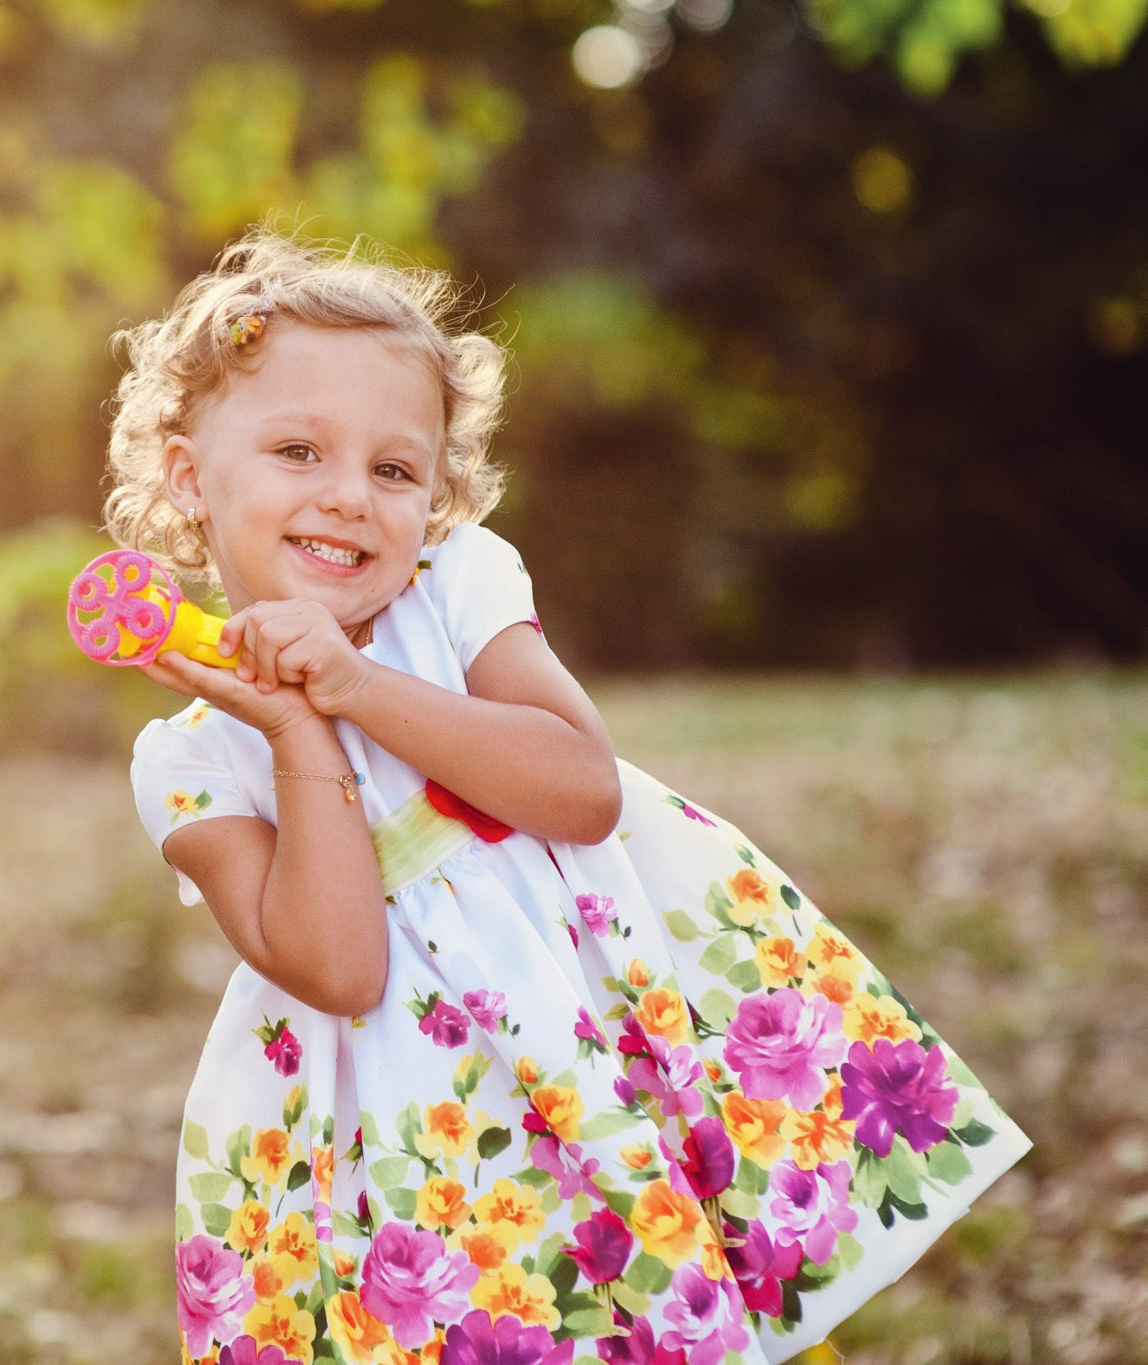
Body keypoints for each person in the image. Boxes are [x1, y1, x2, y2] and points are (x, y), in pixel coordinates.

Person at [107, 226, 1031, 1365]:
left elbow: (581, 788)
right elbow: (341, 968)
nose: (348, 497)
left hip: (602, 1043)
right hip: (425, 1142)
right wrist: (296, 724)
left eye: (394, 470)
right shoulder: (193, 760)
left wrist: (352, 686)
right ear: (187, 476)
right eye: (298, 451)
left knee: (684, 1297)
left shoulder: (453, 590)